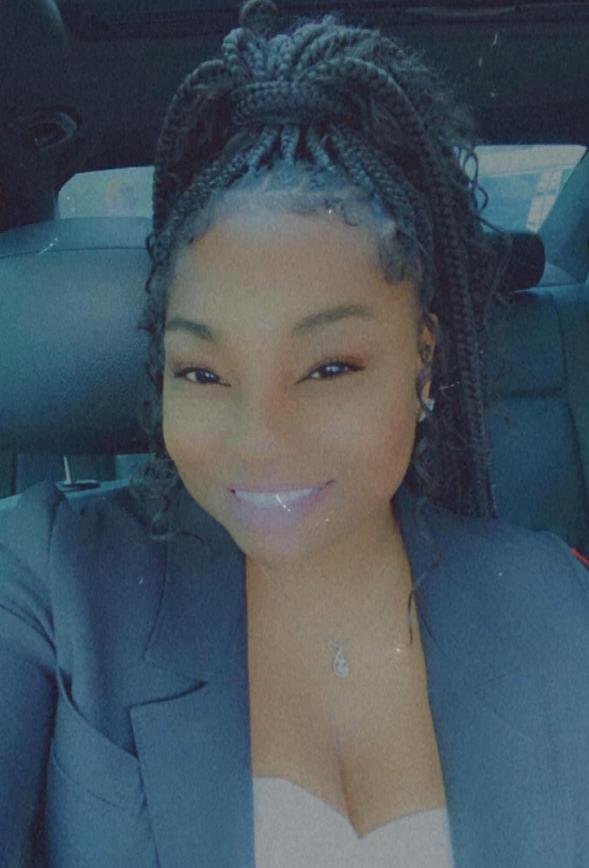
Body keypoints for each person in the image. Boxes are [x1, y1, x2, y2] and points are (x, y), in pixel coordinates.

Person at [1, 1, 589, 866]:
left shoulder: (554, 602)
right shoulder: (53, 580)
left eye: (328, 368)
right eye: (202, 372)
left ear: (423, 361)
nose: (258, 441)